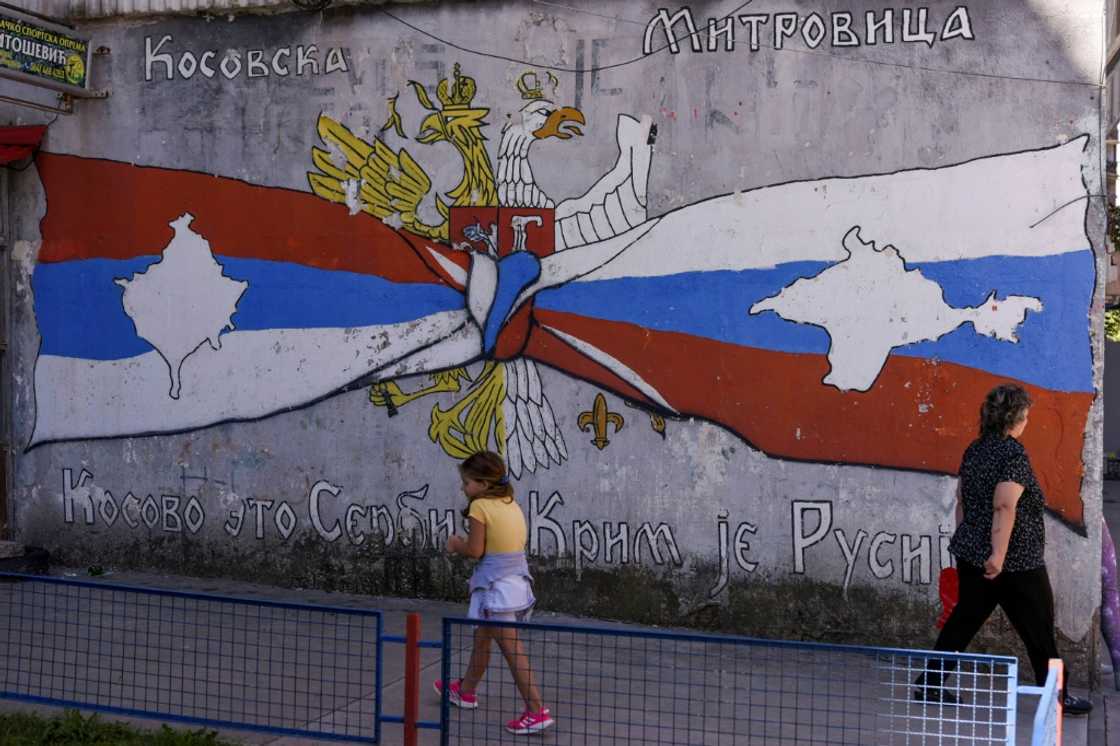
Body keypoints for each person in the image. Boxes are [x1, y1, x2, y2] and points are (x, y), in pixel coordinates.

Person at [916, 383, 1091, 715]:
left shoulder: (975, 449)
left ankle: (929, 684)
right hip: (1015, 563)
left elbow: (962, 501)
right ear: (1016, 418)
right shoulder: (1012, 454)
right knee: (1038, 629)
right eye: (1025, 415)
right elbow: (1004, 507)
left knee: (962, 621)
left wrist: (968, 543)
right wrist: (997, 555)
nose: (1027, 420)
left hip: (974, 555)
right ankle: (1058, 696)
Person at [433, 451, 554, 735]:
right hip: (514, 581)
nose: (463, 488)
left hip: (494, 589)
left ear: (483, 485)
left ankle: (536, 710)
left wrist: (455, 544)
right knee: (482, 639)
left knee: (512, 650)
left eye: (467, 483)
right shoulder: (510, 503)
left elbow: (475, 551)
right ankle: (465, 691)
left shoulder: (480, 508)